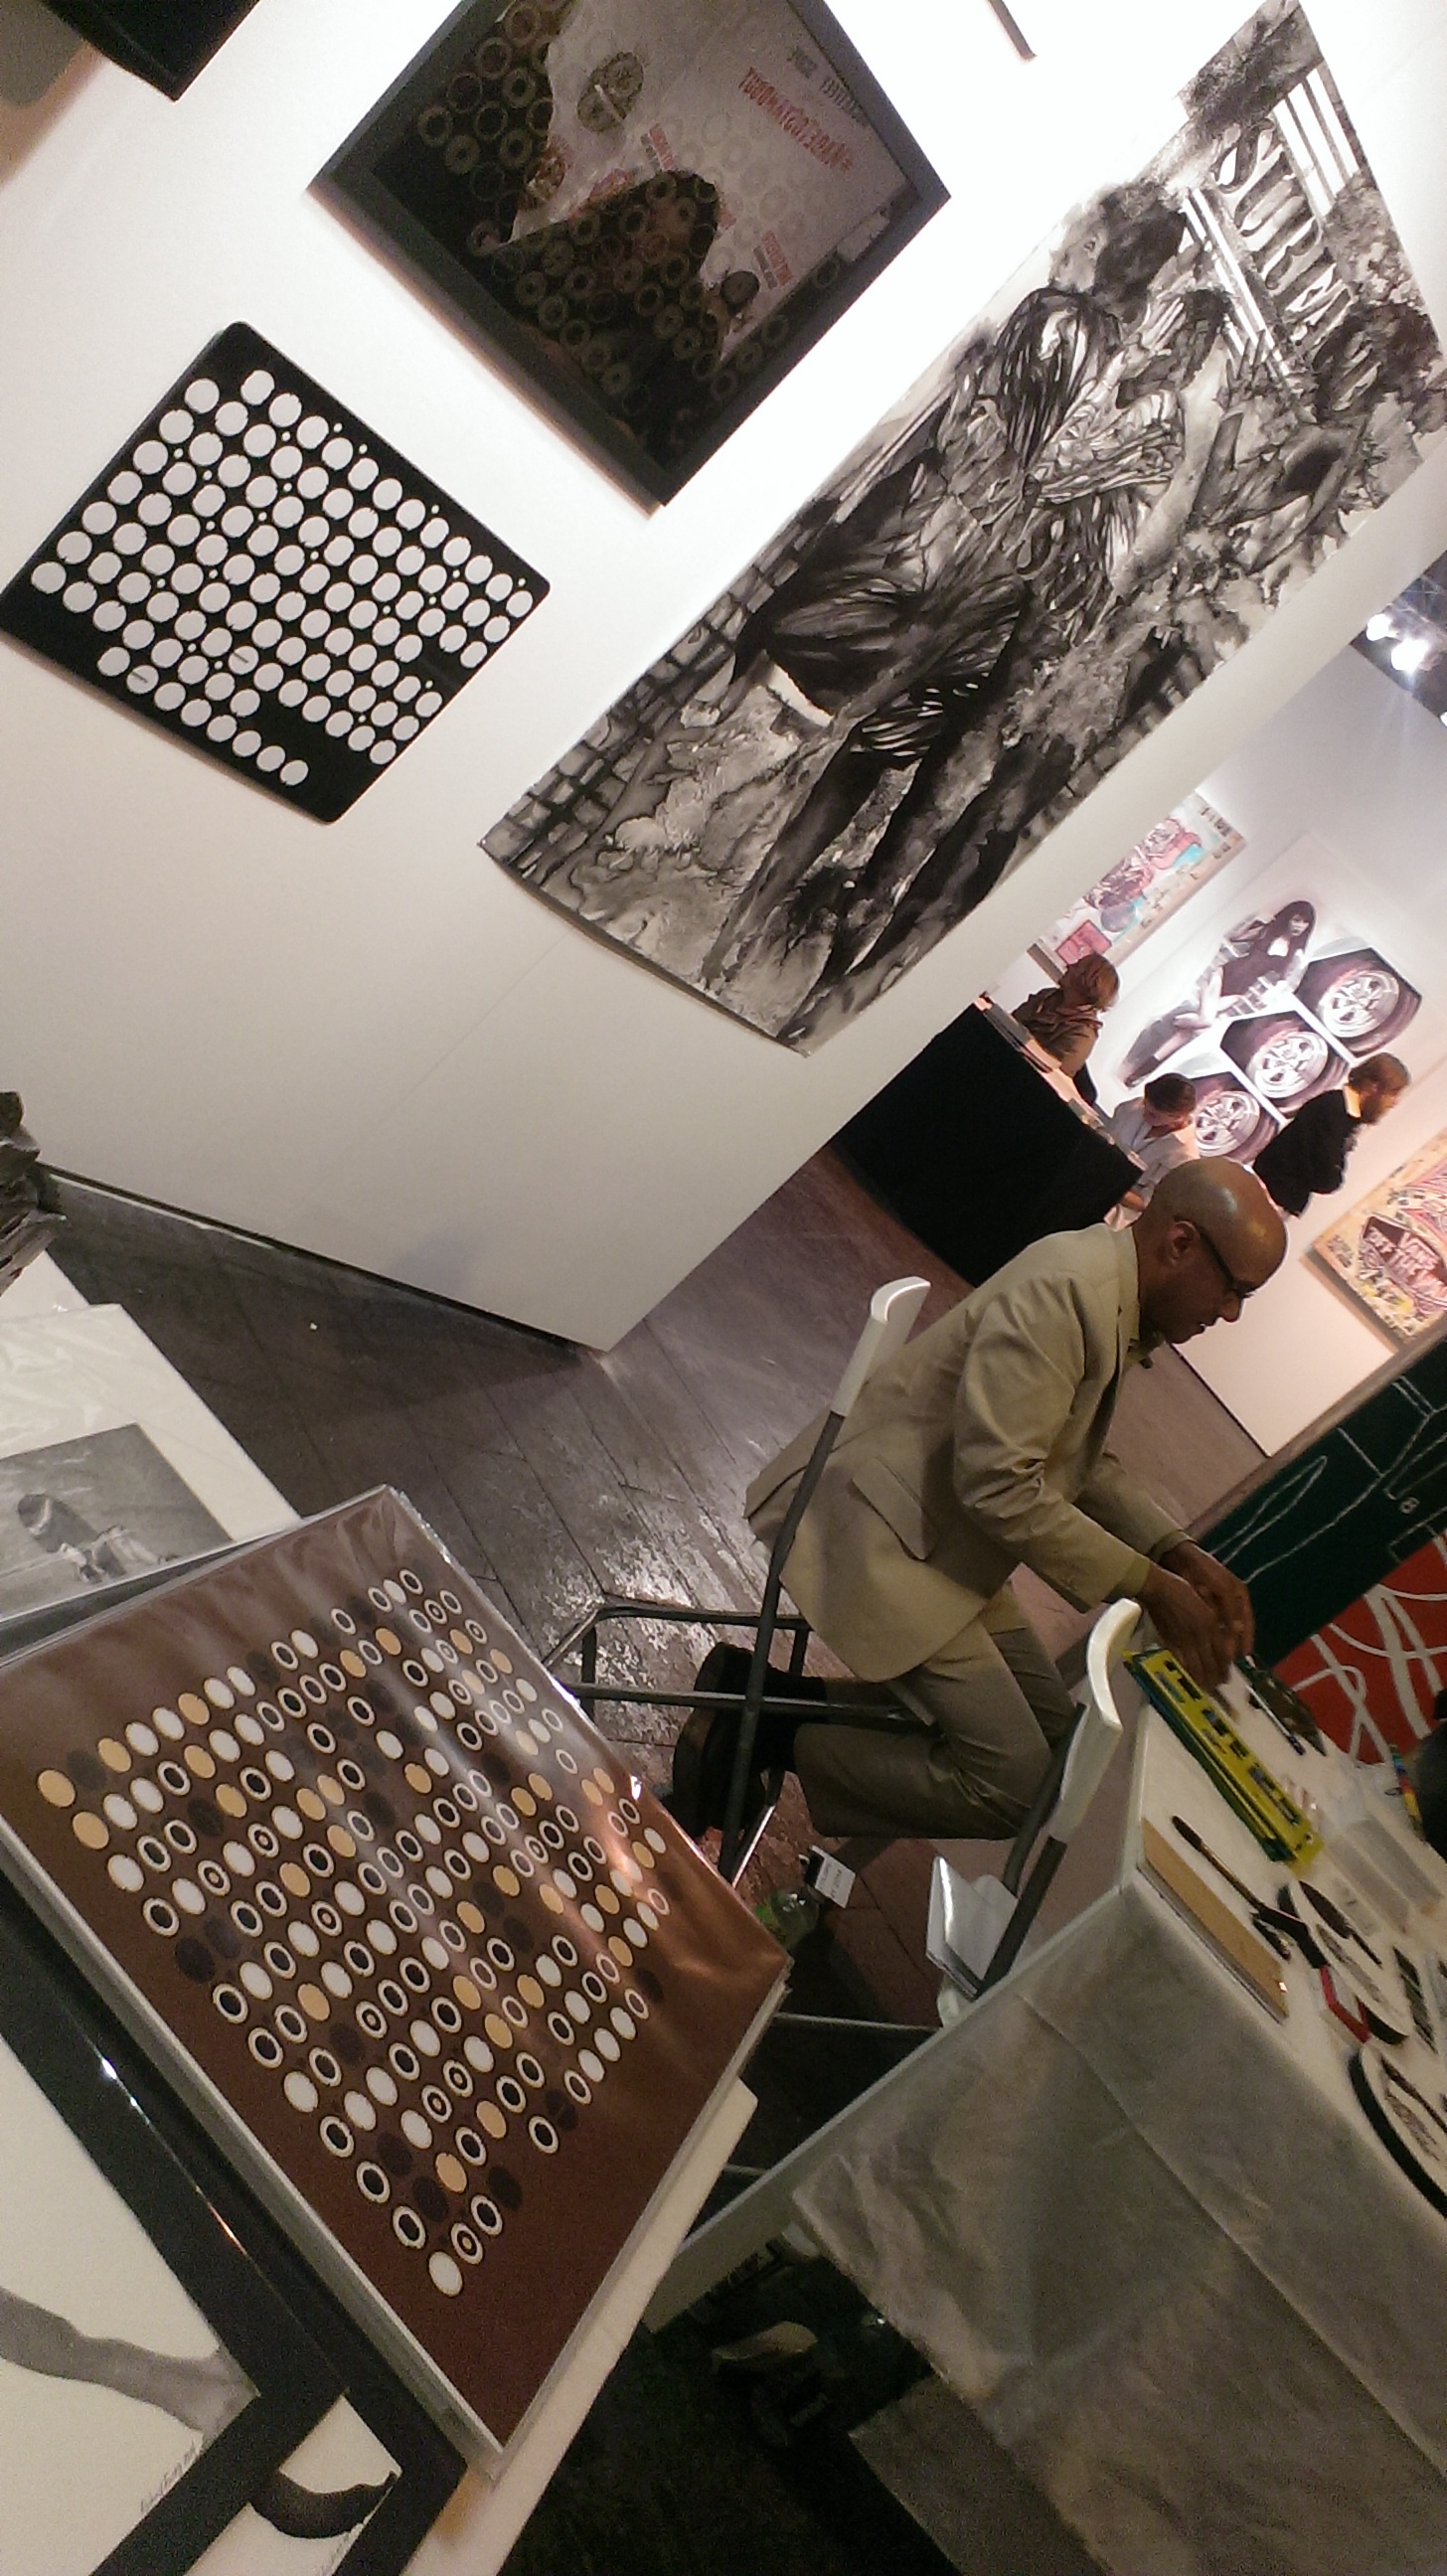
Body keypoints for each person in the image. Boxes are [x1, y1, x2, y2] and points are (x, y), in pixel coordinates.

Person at [670, 1160, 1286, 1845]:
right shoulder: (1068, 1294)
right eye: (1235, 1290)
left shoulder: (1105, 1294)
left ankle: (761, 1705)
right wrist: (1150, 1585)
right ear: (1180, 1243)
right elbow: (998, 1487)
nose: (1229, 1313)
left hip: (933, 1530)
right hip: (880, 1531)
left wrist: (1177, 1551)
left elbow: (1076, 1462)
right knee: (1015, 1788)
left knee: (1057, 1746)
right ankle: (760, 1732)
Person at [1252, 1051, 1409, 1216]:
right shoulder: (1333, 1111)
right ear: (1373, 1087)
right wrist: (1334, 1176)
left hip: (1273, 1196)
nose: (1394, 1102)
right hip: (1265, 1197)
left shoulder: (1340, 1113)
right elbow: (1325, 1178)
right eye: (1393, 1094)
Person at [1014, 953, 1120, 1100]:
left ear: (1087, 981)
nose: (1069, 966)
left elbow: (1052, 1078)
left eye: (1077, 966)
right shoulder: (1048, 996)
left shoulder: (1083, 1034)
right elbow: (1011, 1023)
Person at [1107, 1071, 1199, 1219]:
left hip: (1120, 1208)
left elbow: (1147, 1203)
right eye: (1145, 1105)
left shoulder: (1185, 1157)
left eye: (1153, 1115)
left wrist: (1107, 1186)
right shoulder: (1134, 1107)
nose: (1144, 1114)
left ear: (1177, 1117)